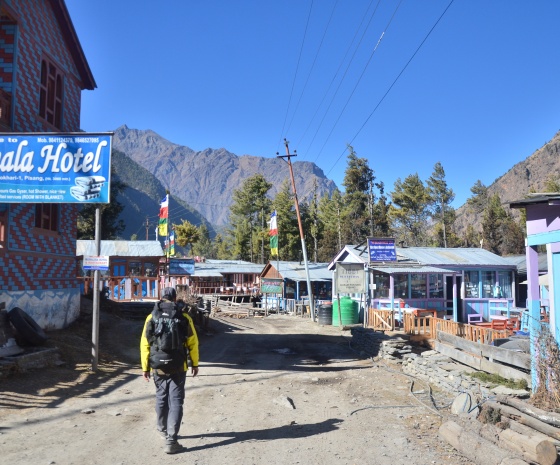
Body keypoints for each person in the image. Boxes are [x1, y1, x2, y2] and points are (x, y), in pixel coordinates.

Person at [140, 287, 199, 454]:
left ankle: (161, 429)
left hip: (157, 365)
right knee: (176, 400)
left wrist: (145, 367)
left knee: (161, 396)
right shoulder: (184, 317)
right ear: (174, 299)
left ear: (161, 297)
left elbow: (145, 344)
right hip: (178, 365)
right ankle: (171, 441)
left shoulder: (151, 317)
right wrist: (195, 363)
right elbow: (192, 342)